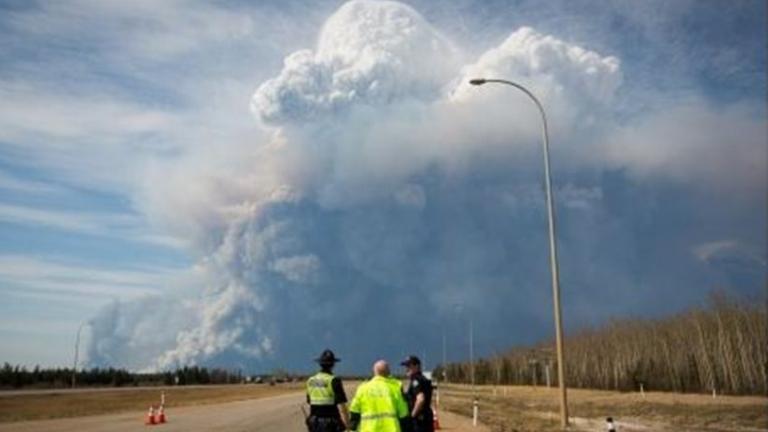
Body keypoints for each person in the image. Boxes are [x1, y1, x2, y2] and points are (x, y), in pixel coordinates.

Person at [349, 360, 410, 432]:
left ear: (374, 372)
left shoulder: (363, 388)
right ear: (389, 373)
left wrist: (352, 428)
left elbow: (354, 411)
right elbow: (403, 413)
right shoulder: (395, 388)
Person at [306, 349, 349, 432]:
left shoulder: (310, 380)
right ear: (333, 365)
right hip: (331, 424)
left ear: (320, 364)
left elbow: (309, 401)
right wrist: (347, 426)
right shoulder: (334, 380)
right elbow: (342, 407)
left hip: (315, 423)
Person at [401, 355, 434, 432]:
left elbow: (420, 399)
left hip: (419, 421)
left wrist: (412, 416)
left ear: (417, 366)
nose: (406, 369)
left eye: (409, 366)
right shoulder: (423, 379)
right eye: (406, 366)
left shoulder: (416, 380)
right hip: (426, 419)